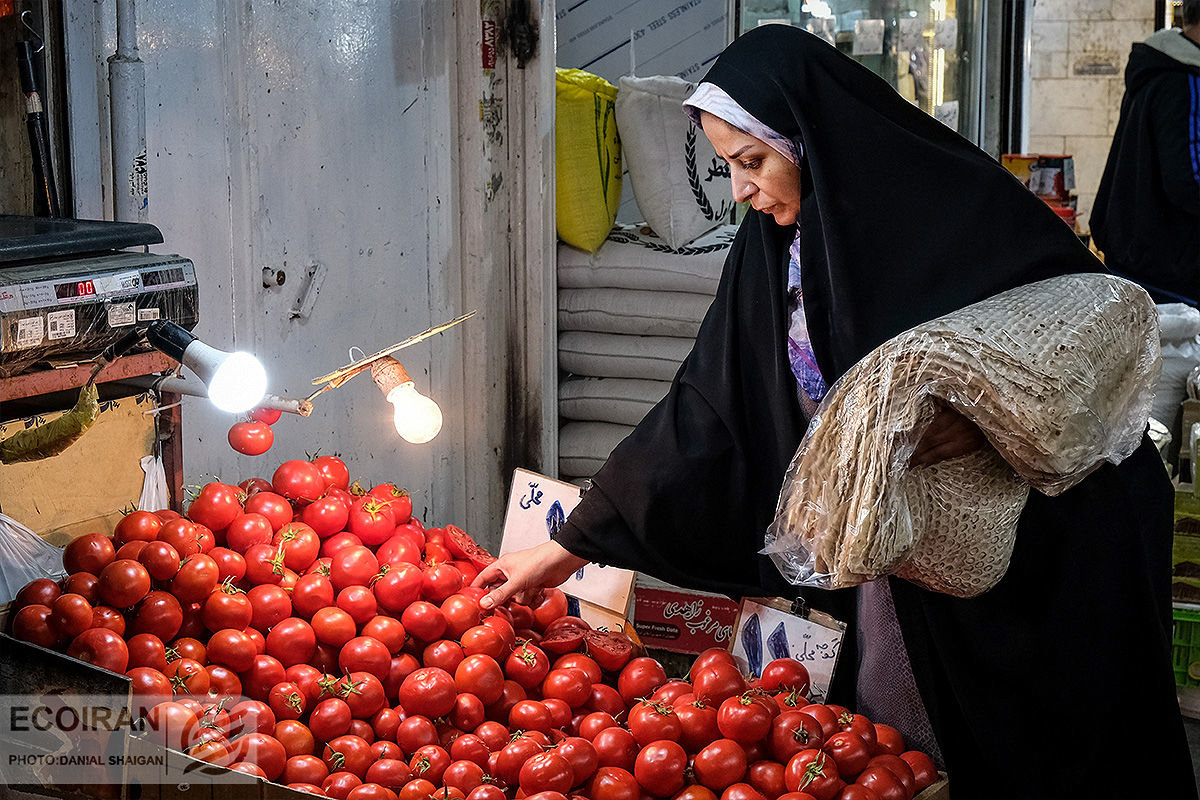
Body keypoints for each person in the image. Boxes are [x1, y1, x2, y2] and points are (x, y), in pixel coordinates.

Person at [476, 25, 1196, 797]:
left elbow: (1072, 345)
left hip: (1046, 551)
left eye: (752, 162)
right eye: (729, 168)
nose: (743, 191)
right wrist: (575, 540)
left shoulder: (947, 208)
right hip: (906, 554)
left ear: (807, 137)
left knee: (1052, 750)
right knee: (909, 752)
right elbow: (709, 407)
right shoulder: (770, 246)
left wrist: (972, 422)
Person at [1091, 0, 1200, 304]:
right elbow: (1190, 180)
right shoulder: (1183, 80)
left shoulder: (1159, 71)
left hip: (1144, 264)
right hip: (1171, 274)